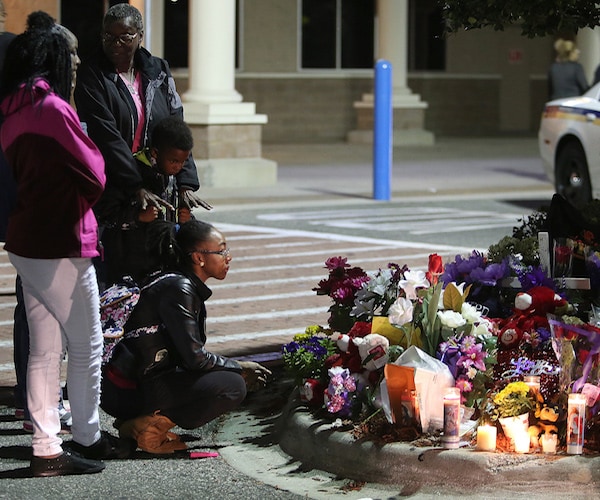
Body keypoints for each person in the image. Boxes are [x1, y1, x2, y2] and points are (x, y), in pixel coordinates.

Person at [0, 11, 131, 477]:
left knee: (43, 348)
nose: (76, 61)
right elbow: (95, 171)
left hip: (28, 238)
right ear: (52, 56)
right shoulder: (53, 108)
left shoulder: (12, 105)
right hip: (61, 238)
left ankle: (46, 445)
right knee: (87, 342)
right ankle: (87, 435)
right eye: (71, 53)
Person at [100, 220, 272, 454]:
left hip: (132, 383)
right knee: (232, 386)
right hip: (129, 389)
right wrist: (238, 367)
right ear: (198, 258)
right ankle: (147, 429)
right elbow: (195, 359)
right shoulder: (179, 289)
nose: (228, 257)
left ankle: (137, 421)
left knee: (224, 377)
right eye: (221, 251)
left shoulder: (175, 281)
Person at [73, 3, 210, 289]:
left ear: (140, 36)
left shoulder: (157, 70)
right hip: (117, 185)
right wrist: (136, 185)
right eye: (109, 36)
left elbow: (177, 126)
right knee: (121, 268)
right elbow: (106, 136)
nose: (116, 44)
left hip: (159, 185)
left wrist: (185, 182)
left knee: (162, 263)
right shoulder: (92, 75)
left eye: (125, 36)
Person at [102, 116, 195, 284]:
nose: (178, 167)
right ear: (155, 153)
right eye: (174, 161)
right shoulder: (132, 175)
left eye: (182, 162)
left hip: (163, 266)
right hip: (131, 270)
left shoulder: (174, 178)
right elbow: (107, 218)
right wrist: (137, 217)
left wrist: (186, 221)